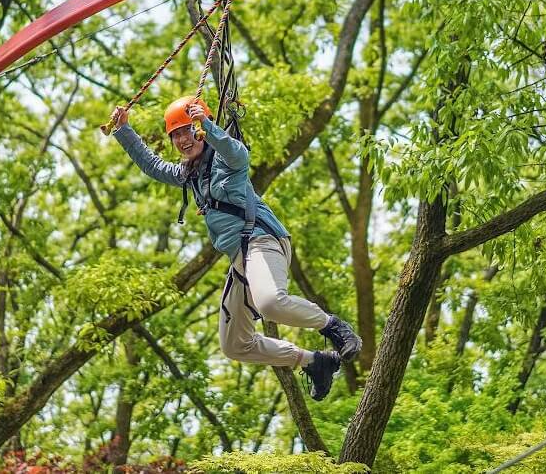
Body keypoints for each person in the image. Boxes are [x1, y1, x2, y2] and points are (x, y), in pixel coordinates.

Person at [111, 96, 361, 400]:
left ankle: (335, 328)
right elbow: (153, 165)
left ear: (200, 130)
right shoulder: (189, 175)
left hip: (263, 241)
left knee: (270, 303)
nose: (182, 140)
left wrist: (207, 124)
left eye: (187, 131)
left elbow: (238, 154)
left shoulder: (224, 159)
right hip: (242, 261)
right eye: (175, 134)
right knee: (235, 345)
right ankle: (315, 362)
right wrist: (124, 130)